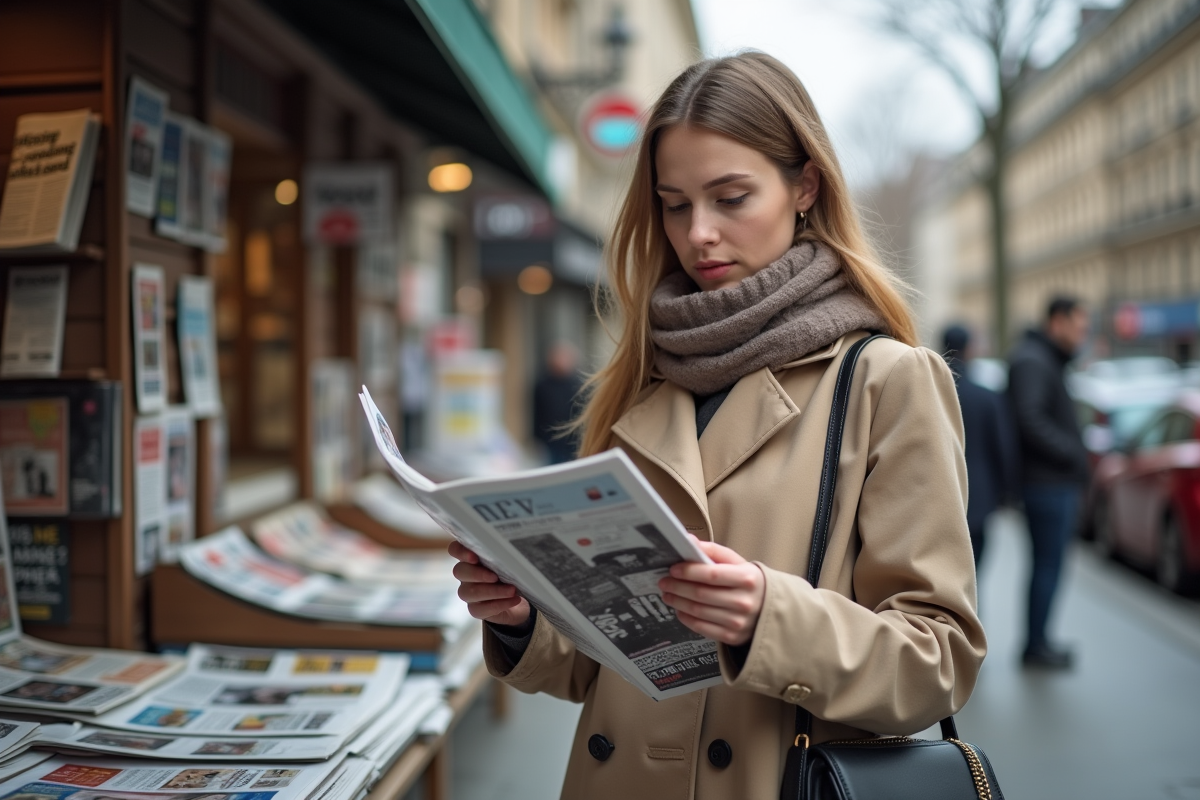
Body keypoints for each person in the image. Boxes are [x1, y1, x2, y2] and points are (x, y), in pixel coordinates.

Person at [448, 53, 986, 799]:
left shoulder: (886, 380)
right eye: (675, 204)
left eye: (731, 198)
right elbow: (600, 668)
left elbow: (938, 661)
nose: (699, 232)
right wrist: (523, 618)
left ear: (805, 187)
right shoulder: (643, 375)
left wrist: (768, 615)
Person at [1007, 296, 1090, 670]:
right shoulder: (1034, 360)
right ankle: (1036, 646)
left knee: (1048, 565)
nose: (1082, 334)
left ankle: (1038, 641)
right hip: (1047, 484)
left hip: (1050, 482)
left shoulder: (1041, 358)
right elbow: (1030, 419)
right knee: (1047, 565)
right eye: (1078, 326)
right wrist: (1072, 451)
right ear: (1057, 322)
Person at [942, 324, 1018, 565]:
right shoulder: (986, 397)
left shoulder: (931, 392)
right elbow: (1003, 447)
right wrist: (1007, 492)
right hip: (979, 495)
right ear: (969, 349)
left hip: (938, 494)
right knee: (973, 568)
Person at [532, 341, 584, 464]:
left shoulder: (578, 385)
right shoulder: (543, 384)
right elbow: (537, 412)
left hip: (572, 440)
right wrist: (537, 437)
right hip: (550, 440)